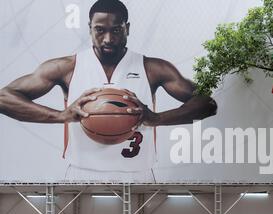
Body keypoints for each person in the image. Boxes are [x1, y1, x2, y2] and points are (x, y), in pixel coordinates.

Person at [0, 0, 217, 180]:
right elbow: (4, 97)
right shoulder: (66, 68)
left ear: (127, 28)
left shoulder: (152, 68)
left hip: (138, 175)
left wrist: (156, 118)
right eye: (100, 30)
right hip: (81, 174)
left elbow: (207, 104)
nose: (108, 39)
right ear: (90, 29)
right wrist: (60, 115)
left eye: (116, 30)